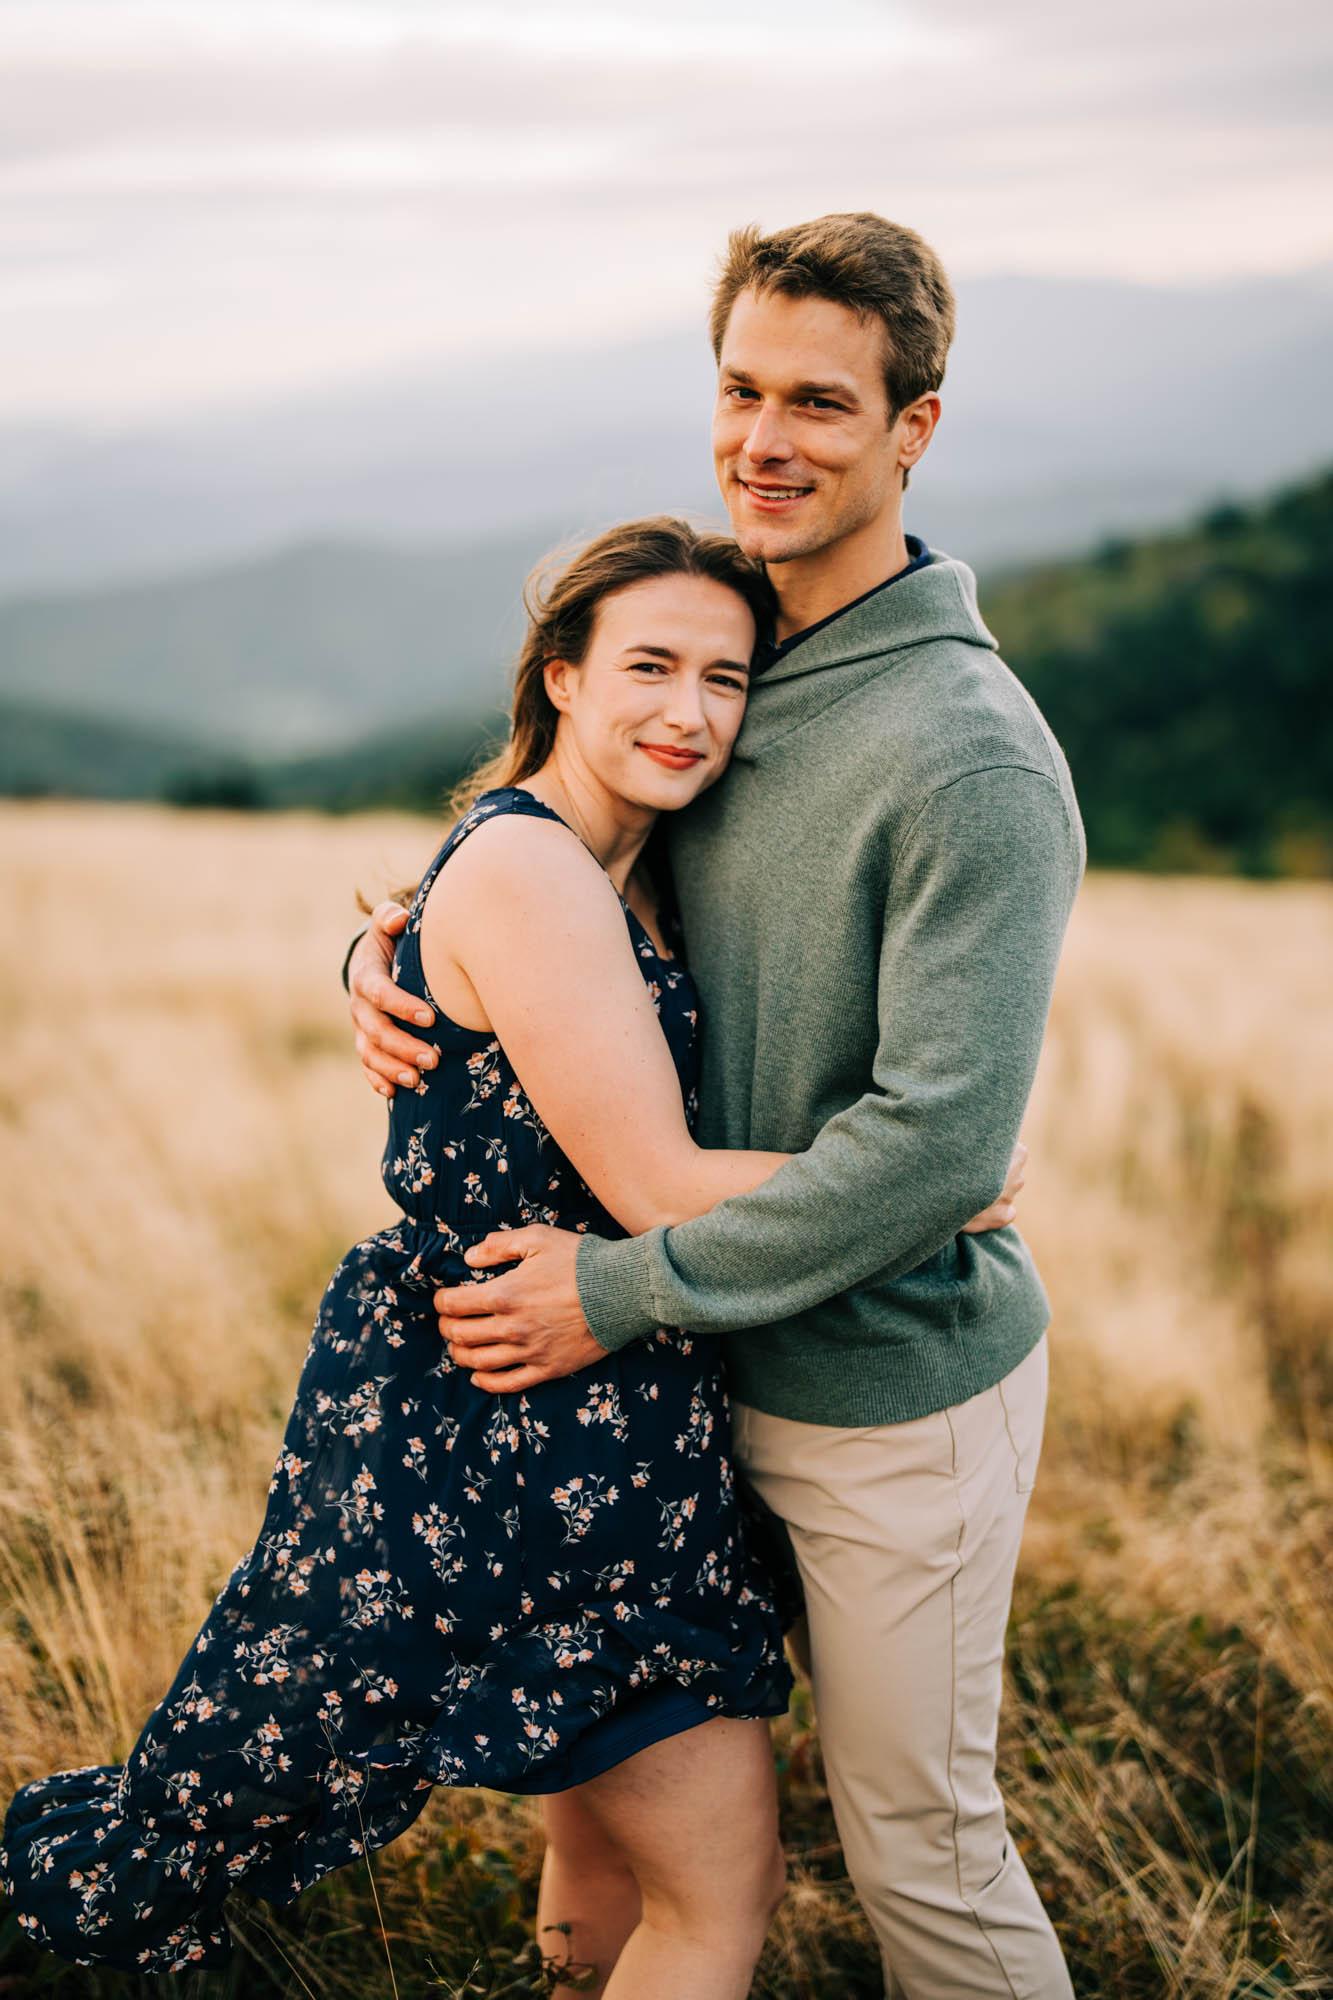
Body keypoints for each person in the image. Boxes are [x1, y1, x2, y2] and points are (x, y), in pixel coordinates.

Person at [0, 517, 1021, 1997]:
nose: (688, 711)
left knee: (602, 1846)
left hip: (561, 1404)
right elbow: (659, 1180)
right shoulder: (539, 871)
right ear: (559, 678)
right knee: (718, 1896)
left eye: (726, 680)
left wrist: (380, 947)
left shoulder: (611, 864)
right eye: (650, 666)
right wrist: (936, 1180)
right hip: (536, 1433)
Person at [349, 214, 1084, 1997]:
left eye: (820, 403)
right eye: (741, 388)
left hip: (880, 1386)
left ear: (914, 429)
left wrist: (613, 1291)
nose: (765, 438)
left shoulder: (965, 753)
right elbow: (555, 844)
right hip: (687, 1394)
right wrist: (388, 945)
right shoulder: (729, 654)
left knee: (920, 1850)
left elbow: (933, 1157)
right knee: (604, 1799)